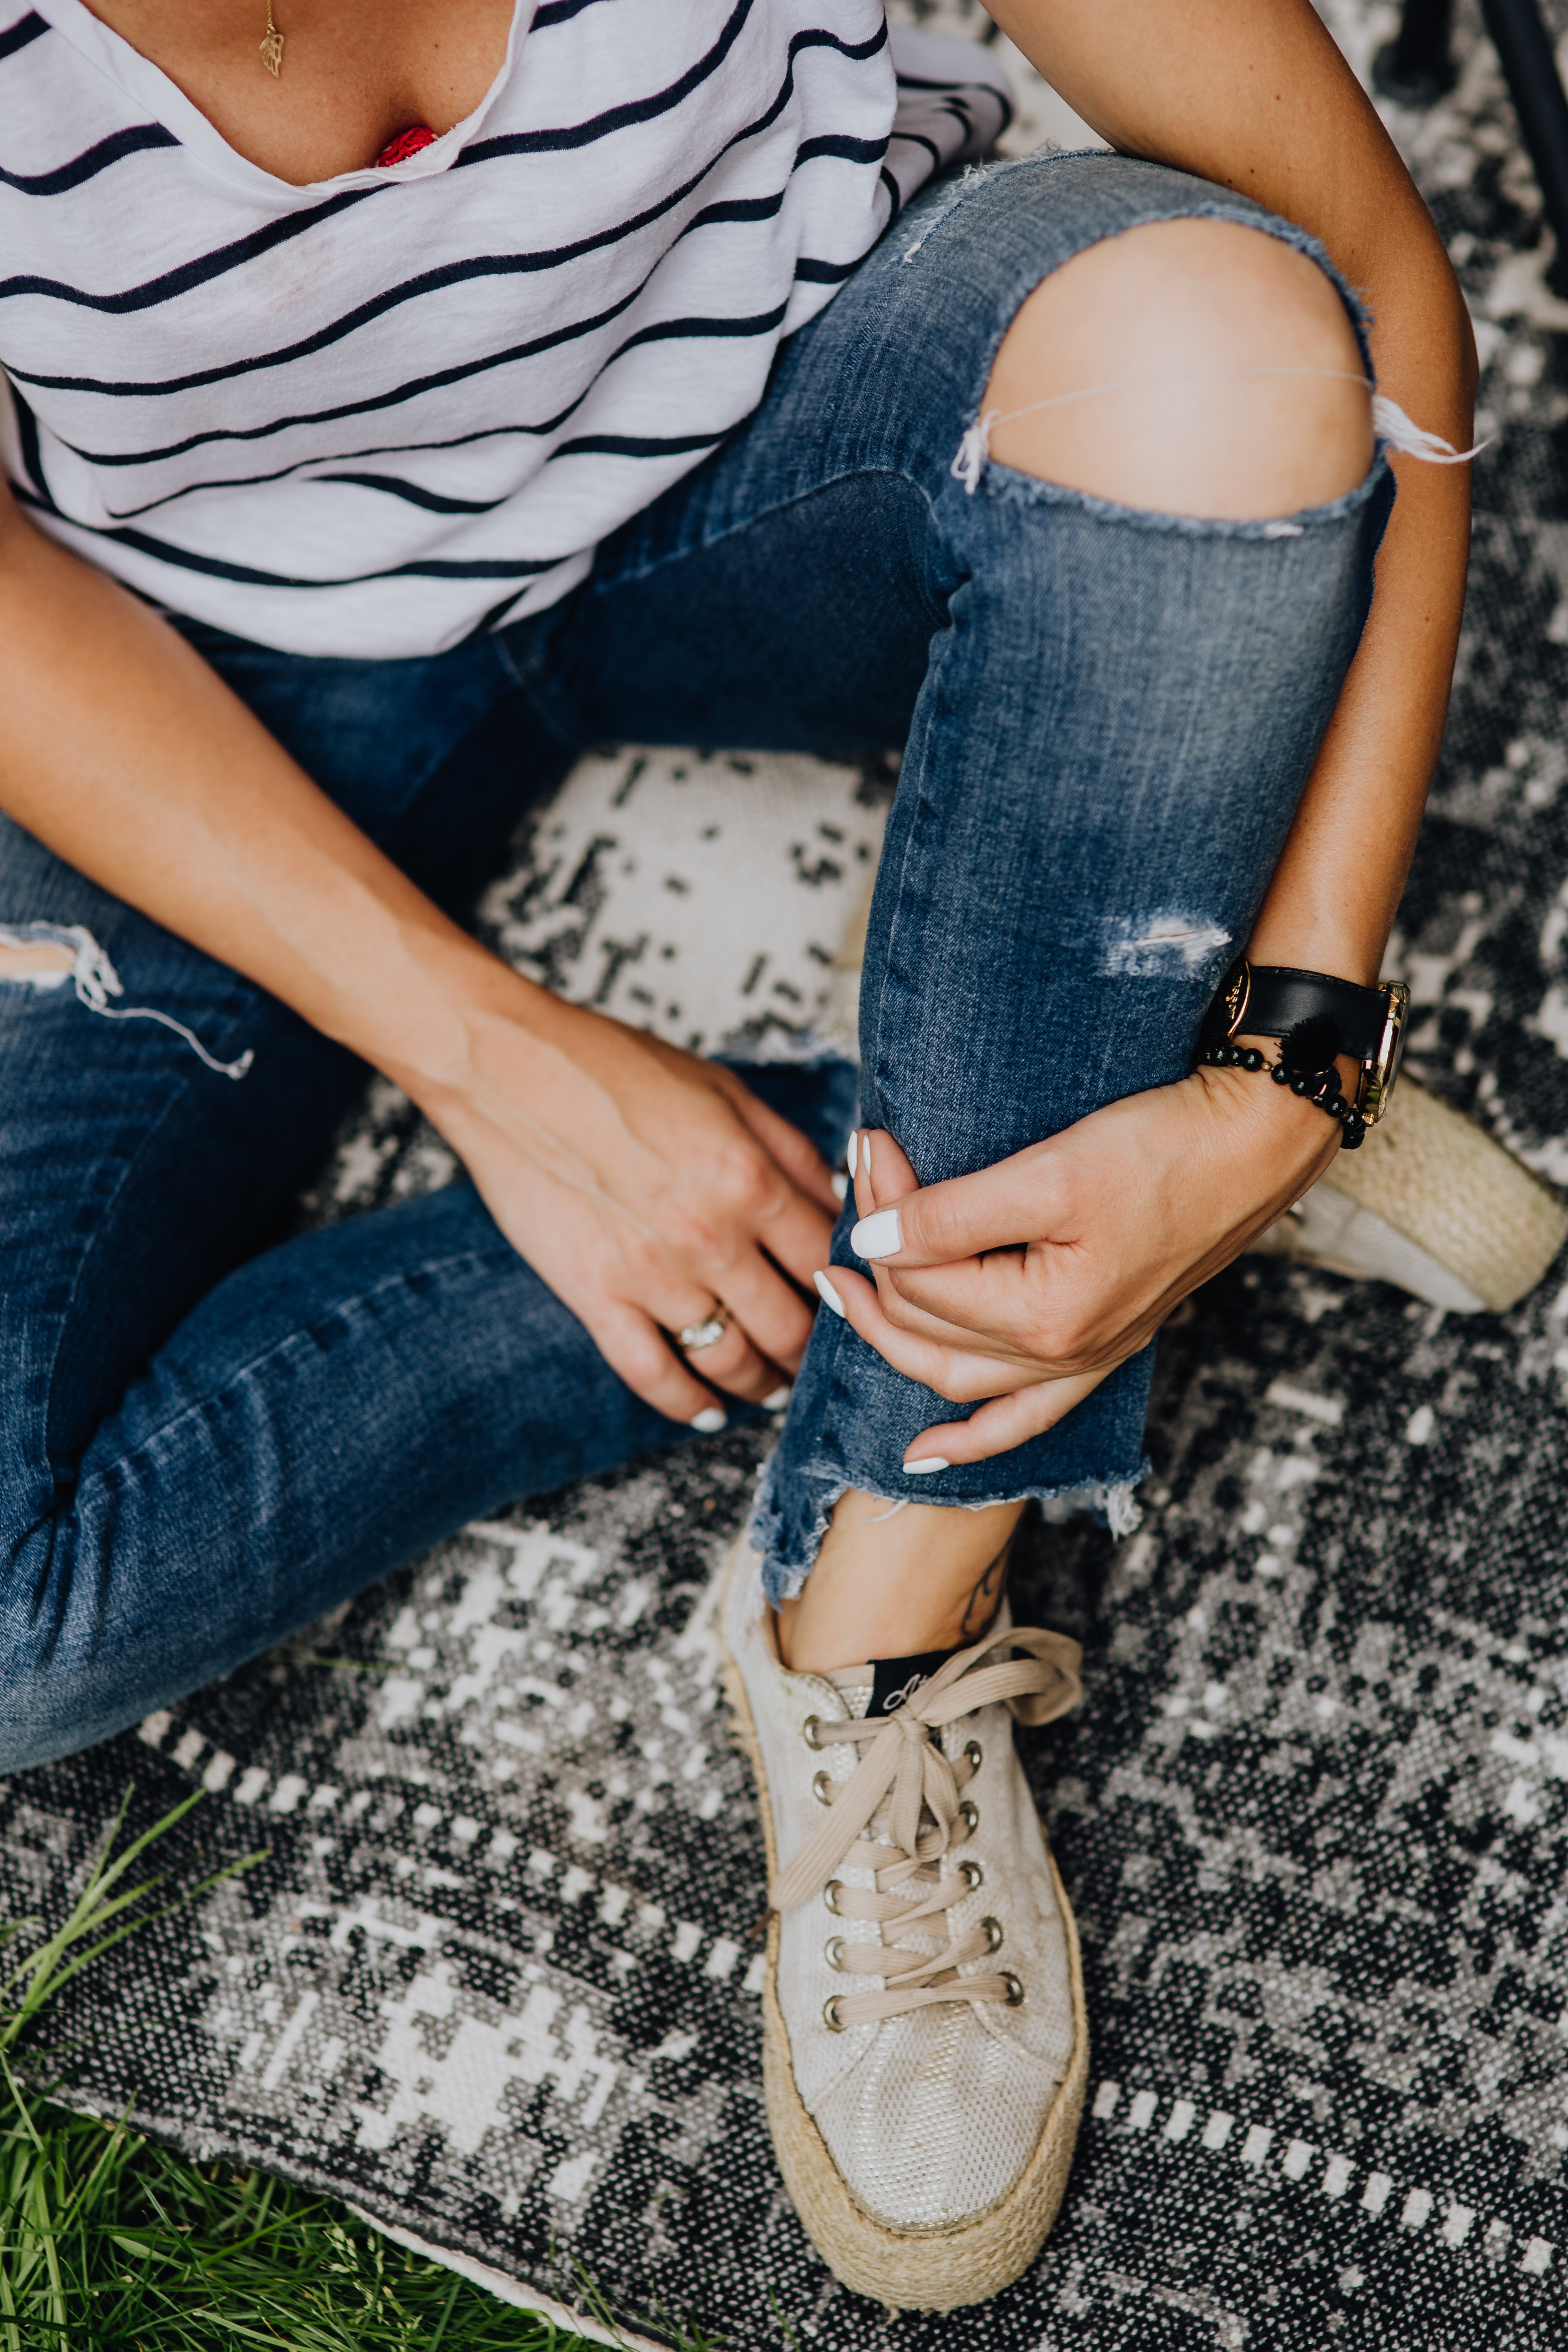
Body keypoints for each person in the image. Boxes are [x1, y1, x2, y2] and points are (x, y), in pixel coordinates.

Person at [0, 0, 1475, 2312]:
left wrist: (1298, 1051)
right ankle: (1077, 1147)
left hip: (780, 463)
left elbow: (1377, 277)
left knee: (1218, 346)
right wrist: (505, 1065)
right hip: (204, 661)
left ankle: (885, 1609)